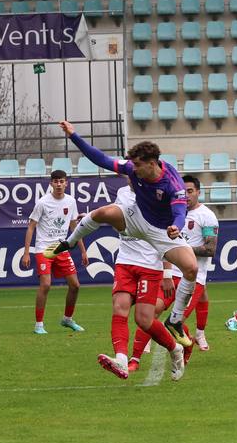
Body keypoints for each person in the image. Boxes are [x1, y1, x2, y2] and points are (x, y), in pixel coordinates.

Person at [47, 120, 197, 347]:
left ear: (152, 164)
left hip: (162, 231)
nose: (132, 169)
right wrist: (73, 136)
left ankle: (175, 321)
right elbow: (101, 159)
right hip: (136, 217)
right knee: (102, 212)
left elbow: (179, 211)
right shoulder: (133, 167)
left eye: (138, 165)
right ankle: (68, 242)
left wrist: (176, 226)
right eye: (132, 164)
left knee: (191, 268)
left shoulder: (172, 183)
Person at [96, 186, 186, 381]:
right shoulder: (122, 193)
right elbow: (115, 214)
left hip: (149, 265)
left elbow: (164, 237)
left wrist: (167, 272)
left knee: (143, 320)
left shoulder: (158, 195)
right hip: (125, 262)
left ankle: (175, 348)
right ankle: (121, 359)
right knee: (119, 308)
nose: (133, 172)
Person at [20, 169, 86, 335]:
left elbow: (75, 228)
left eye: (61, 181)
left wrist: (83, 251)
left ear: (66, 183)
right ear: (51, 183)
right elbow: (31, 226)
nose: (59, 184)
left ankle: (67, 319)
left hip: (61, 249)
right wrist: (27, 252)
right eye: (55, 181)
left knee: (75, 285)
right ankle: (39, 325)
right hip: (44, 249)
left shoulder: (71, 202)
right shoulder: (43, 202)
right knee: (46, 284)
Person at [175, 175, 218, 350]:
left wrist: (181, 251)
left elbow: (210, 249)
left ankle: (188, 345)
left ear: (198, 192)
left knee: (178, 318)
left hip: (194, 274)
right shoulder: (174, 212)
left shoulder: (206, 216)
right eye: (183, 192)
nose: (186, 195)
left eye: (190, 191)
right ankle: (200, 333)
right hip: (173, 272)